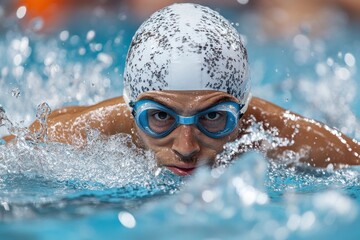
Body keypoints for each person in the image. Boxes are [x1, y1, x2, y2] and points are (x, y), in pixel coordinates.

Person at [2, 3, 359, 176]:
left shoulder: (272, 133)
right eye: (159, 117)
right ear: (131, 110)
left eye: (214, 118)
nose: (187, 148)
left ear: (243, 111)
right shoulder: (83, 134)